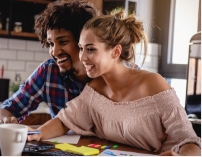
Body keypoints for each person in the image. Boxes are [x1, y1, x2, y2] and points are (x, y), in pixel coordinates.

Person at [27, 9, 201, 156]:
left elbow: (190, 142)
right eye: (81, 48)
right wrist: (35, 133)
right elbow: (65, 121)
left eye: (91, 49)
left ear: (116, 51)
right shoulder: (95, 88)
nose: (82, 57)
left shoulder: (153, 84)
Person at [0, 0, 100, 133]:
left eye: (63, 42)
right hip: (64, 152)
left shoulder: (109, 72)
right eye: (51, 44)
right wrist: (3, 122)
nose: (54, 52)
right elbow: (6, 109)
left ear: (83, 41)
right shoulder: (48, 72)